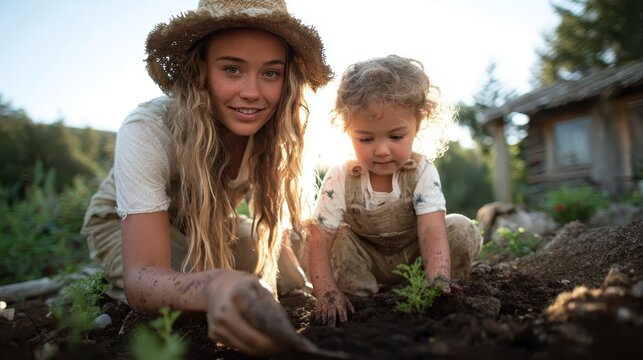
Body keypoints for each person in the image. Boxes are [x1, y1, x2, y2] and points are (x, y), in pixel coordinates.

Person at [81, 0, 332, 355]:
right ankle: (94, 280)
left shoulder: (272, 133)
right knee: (187, 295)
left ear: (287, 78)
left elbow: (272, 224)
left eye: (271, 73)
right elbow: (144, 278)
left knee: (290, 278)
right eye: (232, 69)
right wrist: (211, 286)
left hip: (213, 223)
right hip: (125, 223)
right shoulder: (148, 129)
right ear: (201, 70)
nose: (252, 92)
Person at [305, 55, 483, 326]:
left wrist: (437, 276)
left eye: (396, 136)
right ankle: (365, 300)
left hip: (416, 258)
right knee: (338, 236)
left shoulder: (421, 171)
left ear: (417, 127)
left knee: (459, 227)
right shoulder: (340, 177)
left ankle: (439, 291)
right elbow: (318, 238)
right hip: (367, 264)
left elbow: (431, 229)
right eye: (366, 139)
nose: (382, 150)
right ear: (348, 132)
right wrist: (326, 293)